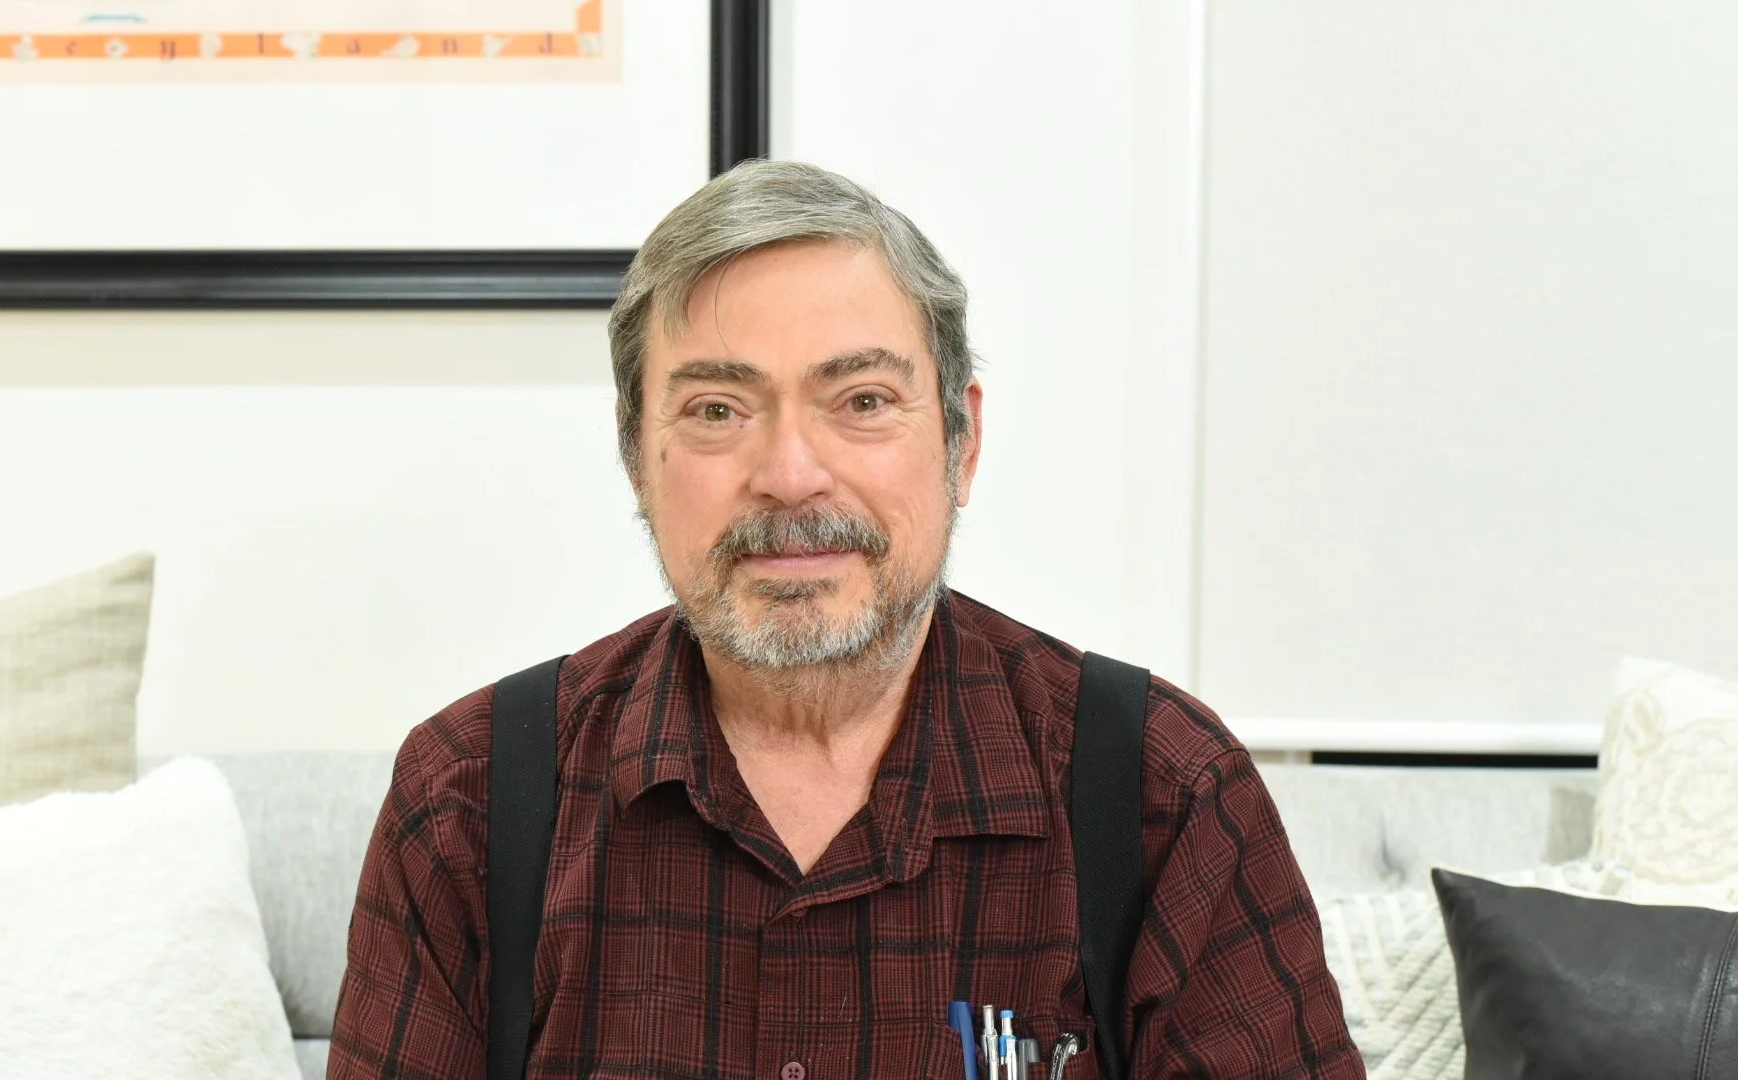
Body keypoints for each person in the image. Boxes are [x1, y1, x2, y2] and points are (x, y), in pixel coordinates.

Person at [329, 160, 1364, 1080]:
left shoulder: (1163, 794)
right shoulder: (470, 803)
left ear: (961, 444)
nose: (788, 475)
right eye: (717, 412)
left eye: (862, 401)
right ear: (637, 457)